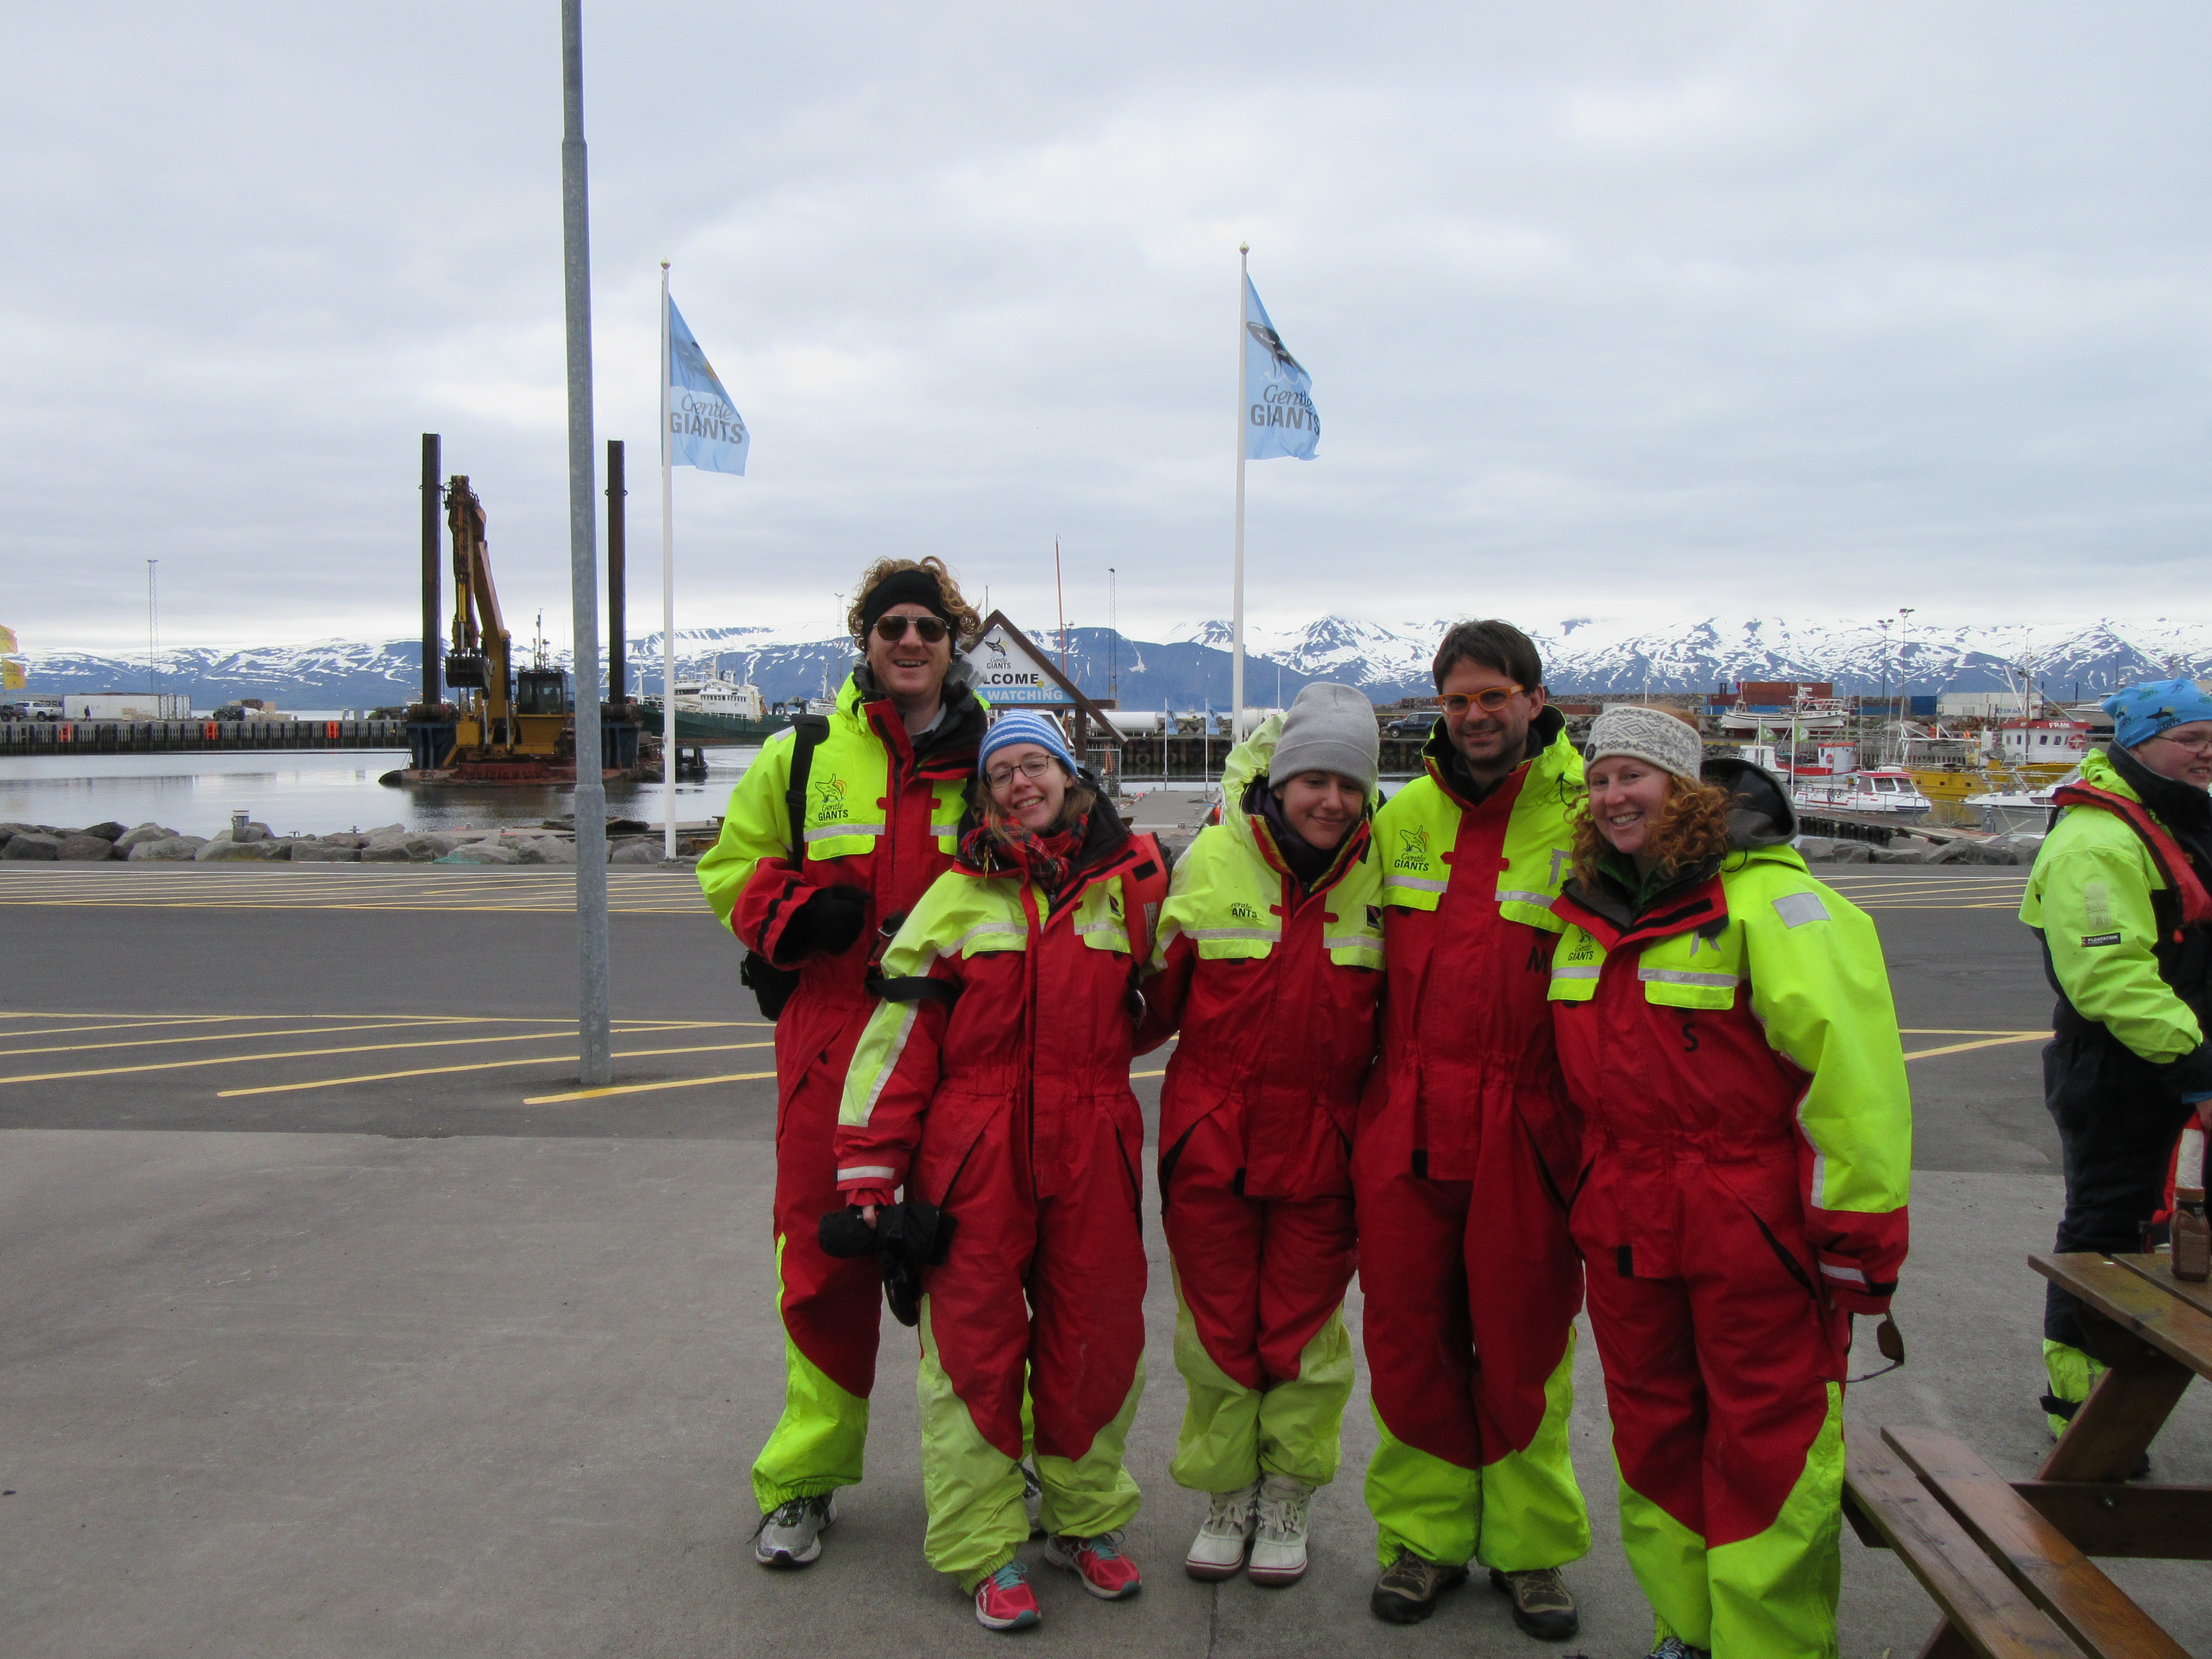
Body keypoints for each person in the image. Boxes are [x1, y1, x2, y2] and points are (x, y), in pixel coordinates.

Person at [1547, 707, 1910, 1659]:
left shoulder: (1777, 905)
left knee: (1770, 1443)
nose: (1614, 797)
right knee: (1653, 1432)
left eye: (1635, 776)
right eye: (1600, 781)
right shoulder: (1585, 912)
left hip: (1751, 1224)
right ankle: (1688, 1630)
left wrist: (1860, 1238)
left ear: (1686, 789)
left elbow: (1851, 1088)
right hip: (1626, 1218)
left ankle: (1768, 1647)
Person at [834, 711, 1168, 1632]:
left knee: (1096, 1342)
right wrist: (868, 1175)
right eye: (1002, 773)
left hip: (1093, 1149)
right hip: (972, 1160)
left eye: (1037, 766)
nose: (1023, 784)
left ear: (1071, 775)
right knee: (972, 1357)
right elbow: (898, 1044)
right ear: (984, 797)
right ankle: (983, 1546)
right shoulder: (953, 901)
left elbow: (1162, 1000)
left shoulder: (1128, 891)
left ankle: (1084, 1521)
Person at [696, 557, 987, 1568]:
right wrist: (792, 913)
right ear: (864, 640)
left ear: (952, 643)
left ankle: (999, 1469)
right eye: (890, 625)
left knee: (981, 1270)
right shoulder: (802, 753)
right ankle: (805, 1482)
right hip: (830, 1043)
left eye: (928, 627)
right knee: (822, 1269)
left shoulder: (998, 760)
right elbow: (730, 865)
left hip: (960, 1052)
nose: (909, 641)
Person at [1355, 619, 1591, 1639]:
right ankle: (1425, 1539)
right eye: (1458, 701)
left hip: (1527, 1132)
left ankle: (1531, 1553)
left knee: (1524, 1348)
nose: (1476, 716)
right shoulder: (1401, 817)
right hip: (1406, 1126)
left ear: (1535, 699)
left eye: (1495, 696)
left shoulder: (1588, 817)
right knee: (1411, 1343)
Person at [1137, 683, 1385, 1588]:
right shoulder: (1211, 859)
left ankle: (1288, 1494)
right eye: (1314, 780)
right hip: (1213, 1141)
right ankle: (1226, 1494)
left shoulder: (1385, 877)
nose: (1331, 801)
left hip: (1326, 1148)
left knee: (1306, 1339)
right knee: (1215, 1334)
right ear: (1279, 784)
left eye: (1350, 785)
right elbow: (1150, 1004)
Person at [2021, 678, 2212, 1437]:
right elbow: (2110, 976)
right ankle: (2082, 1412)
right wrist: (2198, 1071)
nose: (2206, 753)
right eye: (2190, 739)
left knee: (2161, 1233)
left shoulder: (2175, 819)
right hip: (2125, 1071)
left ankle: (2128, 1394)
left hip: (2174, 1059)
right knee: (2108, 1236)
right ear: (2137, 743)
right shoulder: (2098, 842)